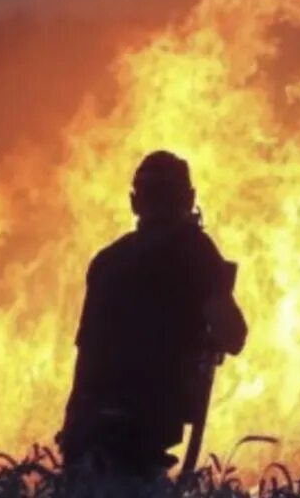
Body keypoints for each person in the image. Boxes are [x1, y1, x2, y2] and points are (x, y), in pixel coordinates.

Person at [58, 151, 247, 480]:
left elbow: (85, 356)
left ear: (135, 203)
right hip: (141, 434)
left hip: (84, 429)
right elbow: (233, 335)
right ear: (189, 198)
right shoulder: (195, 249)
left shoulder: (106, 260)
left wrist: (73, 436)